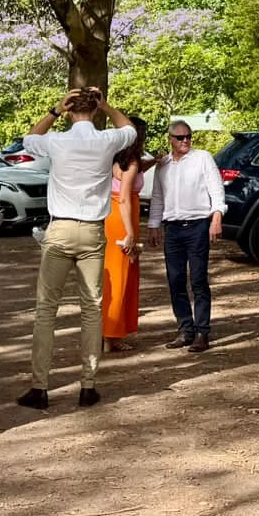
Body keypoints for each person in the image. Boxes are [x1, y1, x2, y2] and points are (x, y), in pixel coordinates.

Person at [17, 88, 136, 410]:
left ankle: (40, 385)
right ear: (95, 110)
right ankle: (88, 384)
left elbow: (30, 139)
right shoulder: (106, 140)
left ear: (70, 111)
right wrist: (107, 105)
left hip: (60, 228)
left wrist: (55, 110)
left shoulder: (57, 141)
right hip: (92, 230)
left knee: (46, 309)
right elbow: (130, 129)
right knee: (91, 307)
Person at [147, 120, 226, 353]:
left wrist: (217, 216)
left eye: (189, 136)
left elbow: (216, 188)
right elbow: (158, 196)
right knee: (175, 280)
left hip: (198, 225)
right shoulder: (164, 165)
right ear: (170, 139)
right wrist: (153, 224)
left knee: (199, 279)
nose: (185, 141)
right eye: (180, 137)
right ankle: (185, 329)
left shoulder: (202, 158)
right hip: (173, 228)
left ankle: (202, 331)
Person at [102, 130, 143, 353]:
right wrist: (130, 234)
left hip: (111, 217)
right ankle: (112, 335)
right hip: (123, 218)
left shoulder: (115, 159)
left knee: (111, 276)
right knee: (121, 278)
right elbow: (126, 197)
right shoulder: (132, 163)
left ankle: (105, 332)